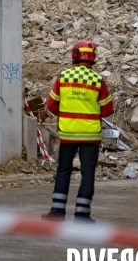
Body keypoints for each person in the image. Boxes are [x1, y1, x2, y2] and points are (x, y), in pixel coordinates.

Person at [42, 40, 113, 222]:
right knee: (87, 173)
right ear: (93, 57)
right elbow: (107, 110)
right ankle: (82, 215)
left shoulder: (64, 77)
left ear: (74, 55)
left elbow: (51, 105)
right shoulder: (98, 80)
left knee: (64, 170)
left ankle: (57, 212)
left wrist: (66, 114)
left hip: (68, 133)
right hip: (90, 136)